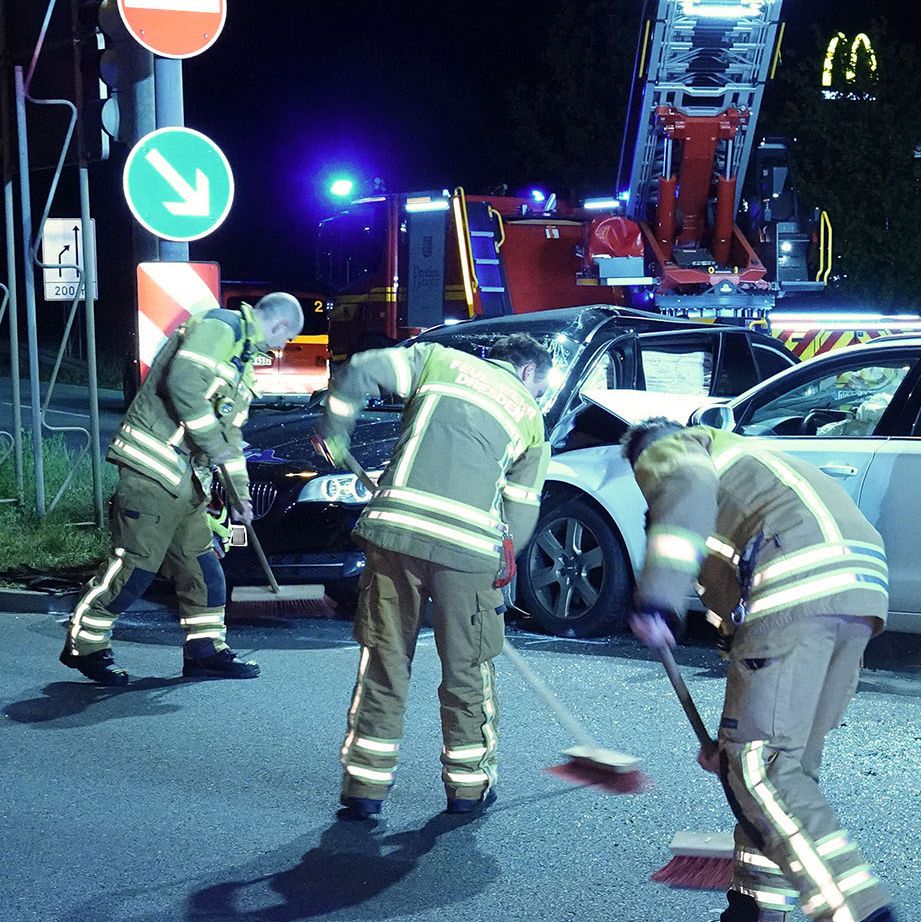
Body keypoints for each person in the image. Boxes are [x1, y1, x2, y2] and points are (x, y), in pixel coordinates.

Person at [623, 418, 905, 922]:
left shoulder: (674, 452)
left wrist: (657, 596)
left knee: (760, 768)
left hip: (795, 582)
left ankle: (859, 916)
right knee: (781, 769)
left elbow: (685, 502)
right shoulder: (750, 469)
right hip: (855, 588)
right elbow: (739, 610)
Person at [316, 335, 552, 818]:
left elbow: (359, 368)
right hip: (467, 554)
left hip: (394, 534)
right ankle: (468, 788)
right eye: (541, 389)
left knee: (383, 660)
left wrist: (336, 427)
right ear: (528, 374)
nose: (539, 398)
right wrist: (505, 559)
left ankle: (364, 788)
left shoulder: (439, 362)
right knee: (467, 670)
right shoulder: (530, 418)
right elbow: (521, 510)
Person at [61, 294, 304, 685]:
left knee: (203, 571)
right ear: (278, 326)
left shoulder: (240, 366)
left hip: (188, 485)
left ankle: (205, 651)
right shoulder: (220, 329)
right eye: (286, 339)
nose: (280, 348)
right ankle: (84, 645)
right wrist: (215, 448)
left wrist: (240, 492)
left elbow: (230, 437)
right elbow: (184, 384)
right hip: (153, 472)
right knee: (135, 569)